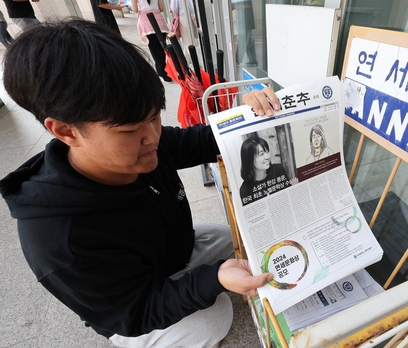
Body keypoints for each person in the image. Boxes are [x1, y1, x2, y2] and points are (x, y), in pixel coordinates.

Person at [0, 19, 279, 348]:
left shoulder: (142, 145)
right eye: (129, 129)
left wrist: (245, 119)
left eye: (155, 116)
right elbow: (136, 310)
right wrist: (212, 281)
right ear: (65, 131)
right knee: (213, 319)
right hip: (129, 304)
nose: (152, 137)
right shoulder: (60, 241)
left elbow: (199, 141)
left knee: (246, 240)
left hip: (173, 250)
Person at [239, 136, 291, 206]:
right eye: (261, 154)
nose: (267, 157)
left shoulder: (278, 169)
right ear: (249, 160)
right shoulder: (245, 190)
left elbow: (290, 195)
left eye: (267, 151)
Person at [130, 0, 172, 82]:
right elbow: (161, 8)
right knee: (162, 49)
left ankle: (162, 73)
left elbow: (135, 10)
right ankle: (162, 72)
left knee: (155, 50)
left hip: (146, 21)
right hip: (159, 21)